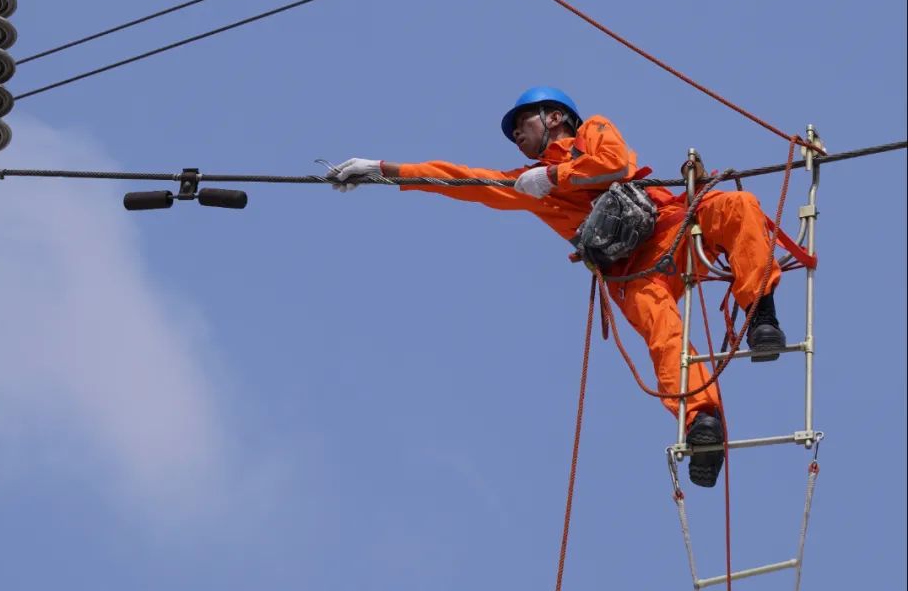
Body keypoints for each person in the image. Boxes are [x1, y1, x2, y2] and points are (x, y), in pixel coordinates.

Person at [329, 86, 786, 487]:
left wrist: (553, 176)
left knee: (738, 205)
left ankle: (761, 314)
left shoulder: (591, 133)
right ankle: (701, 422)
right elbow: (459, 179)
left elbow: (612, 164)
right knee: (662, 333)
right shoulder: (527, 186)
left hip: (672, 226)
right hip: (632, 269)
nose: (516, 136)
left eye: (521, 123)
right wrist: (381, 170)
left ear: (554, 117)